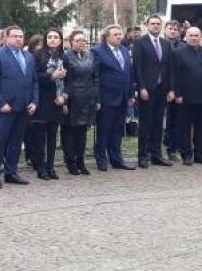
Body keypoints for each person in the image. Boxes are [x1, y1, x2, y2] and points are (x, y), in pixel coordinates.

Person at [0, 25, 39, 189]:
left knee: (16, 141)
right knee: (0, 141)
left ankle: (11, 172)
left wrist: (34, 102)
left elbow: (34, 81)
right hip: (6, 108)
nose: (18, 39)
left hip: (24, 107)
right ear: (6, 38)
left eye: (21, 36)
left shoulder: (28, 56)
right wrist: (2, 103)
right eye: (14, 36)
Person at [133, 15, 175, 169]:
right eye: (153, 24)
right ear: (147, 25)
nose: (156, 26)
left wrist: (171, 89)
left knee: (158, 124)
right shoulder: (140, 43)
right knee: (145, 124)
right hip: (147, 90)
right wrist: (141, 87)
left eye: (158, 24)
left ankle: (156, 155)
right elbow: (137, 67)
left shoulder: (165, 43)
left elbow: (170, 68)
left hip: (162, 90)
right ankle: (142, 156)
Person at [92, 25, 135, 171]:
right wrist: (96, 98)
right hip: (106, 98)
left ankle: (116, 159)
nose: (118, 36)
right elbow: (95, 77)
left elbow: (128, 74)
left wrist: (130, 94)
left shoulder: (124, 50)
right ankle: (101, 159)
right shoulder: (97, 51)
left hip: (122, 97)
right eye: (115, 34)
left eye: (120, 34)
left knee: (117, 131)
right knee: (104, 130)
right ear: (107, 37)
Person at [173, 27, 202, 165]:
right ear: (185, 37)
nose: (193, 38)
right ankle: (186, 155)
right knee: (185, 128)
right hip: (185, 98)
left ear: (201, 37)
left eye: (196, 35)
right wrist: (178, 93)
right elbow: (174, 75)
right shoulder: (178, 53)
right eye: (191, 35)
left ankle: (200, 154)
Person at [31, 28, 66, 180]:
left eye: (56, 37)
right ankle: (41, 167)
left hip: (57, 100)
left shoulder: (64, 57)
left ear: (60, 40)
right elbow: (34, 77)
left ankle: (51, 166)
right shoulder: (37, 55)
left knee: (53, 135)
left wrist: (65, 96)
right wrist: (51, 76)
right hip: (42, 100)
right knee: (40, 137)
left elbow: (70, 79)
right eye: (50, 37)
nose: (52, 40)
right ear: (46, 39)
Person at [62, 30, 98, 175]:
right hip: (72, 98)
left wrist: (96, 98)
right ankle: (70, 162)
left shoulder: (90, 55)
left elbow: (95, 78)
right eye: (77, 40)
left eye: (83, 40)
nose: (81, 43)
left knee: (83, 131)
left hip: (87, 97)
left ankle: (81, 162)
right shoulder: (66, 57)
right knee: (70, 131)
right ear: (71, 42)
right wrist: (64, 100)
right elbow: (64, 81)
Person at [163, 19, 184, 161]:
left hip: (177, 89)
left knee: (175, 121)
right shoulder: (159, 45)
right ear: (166, 30)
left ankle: (172, 149)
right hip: (160, 88)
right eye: (170, 28)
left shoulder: (183, 47)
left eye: (175, 29)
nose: (173, 31)